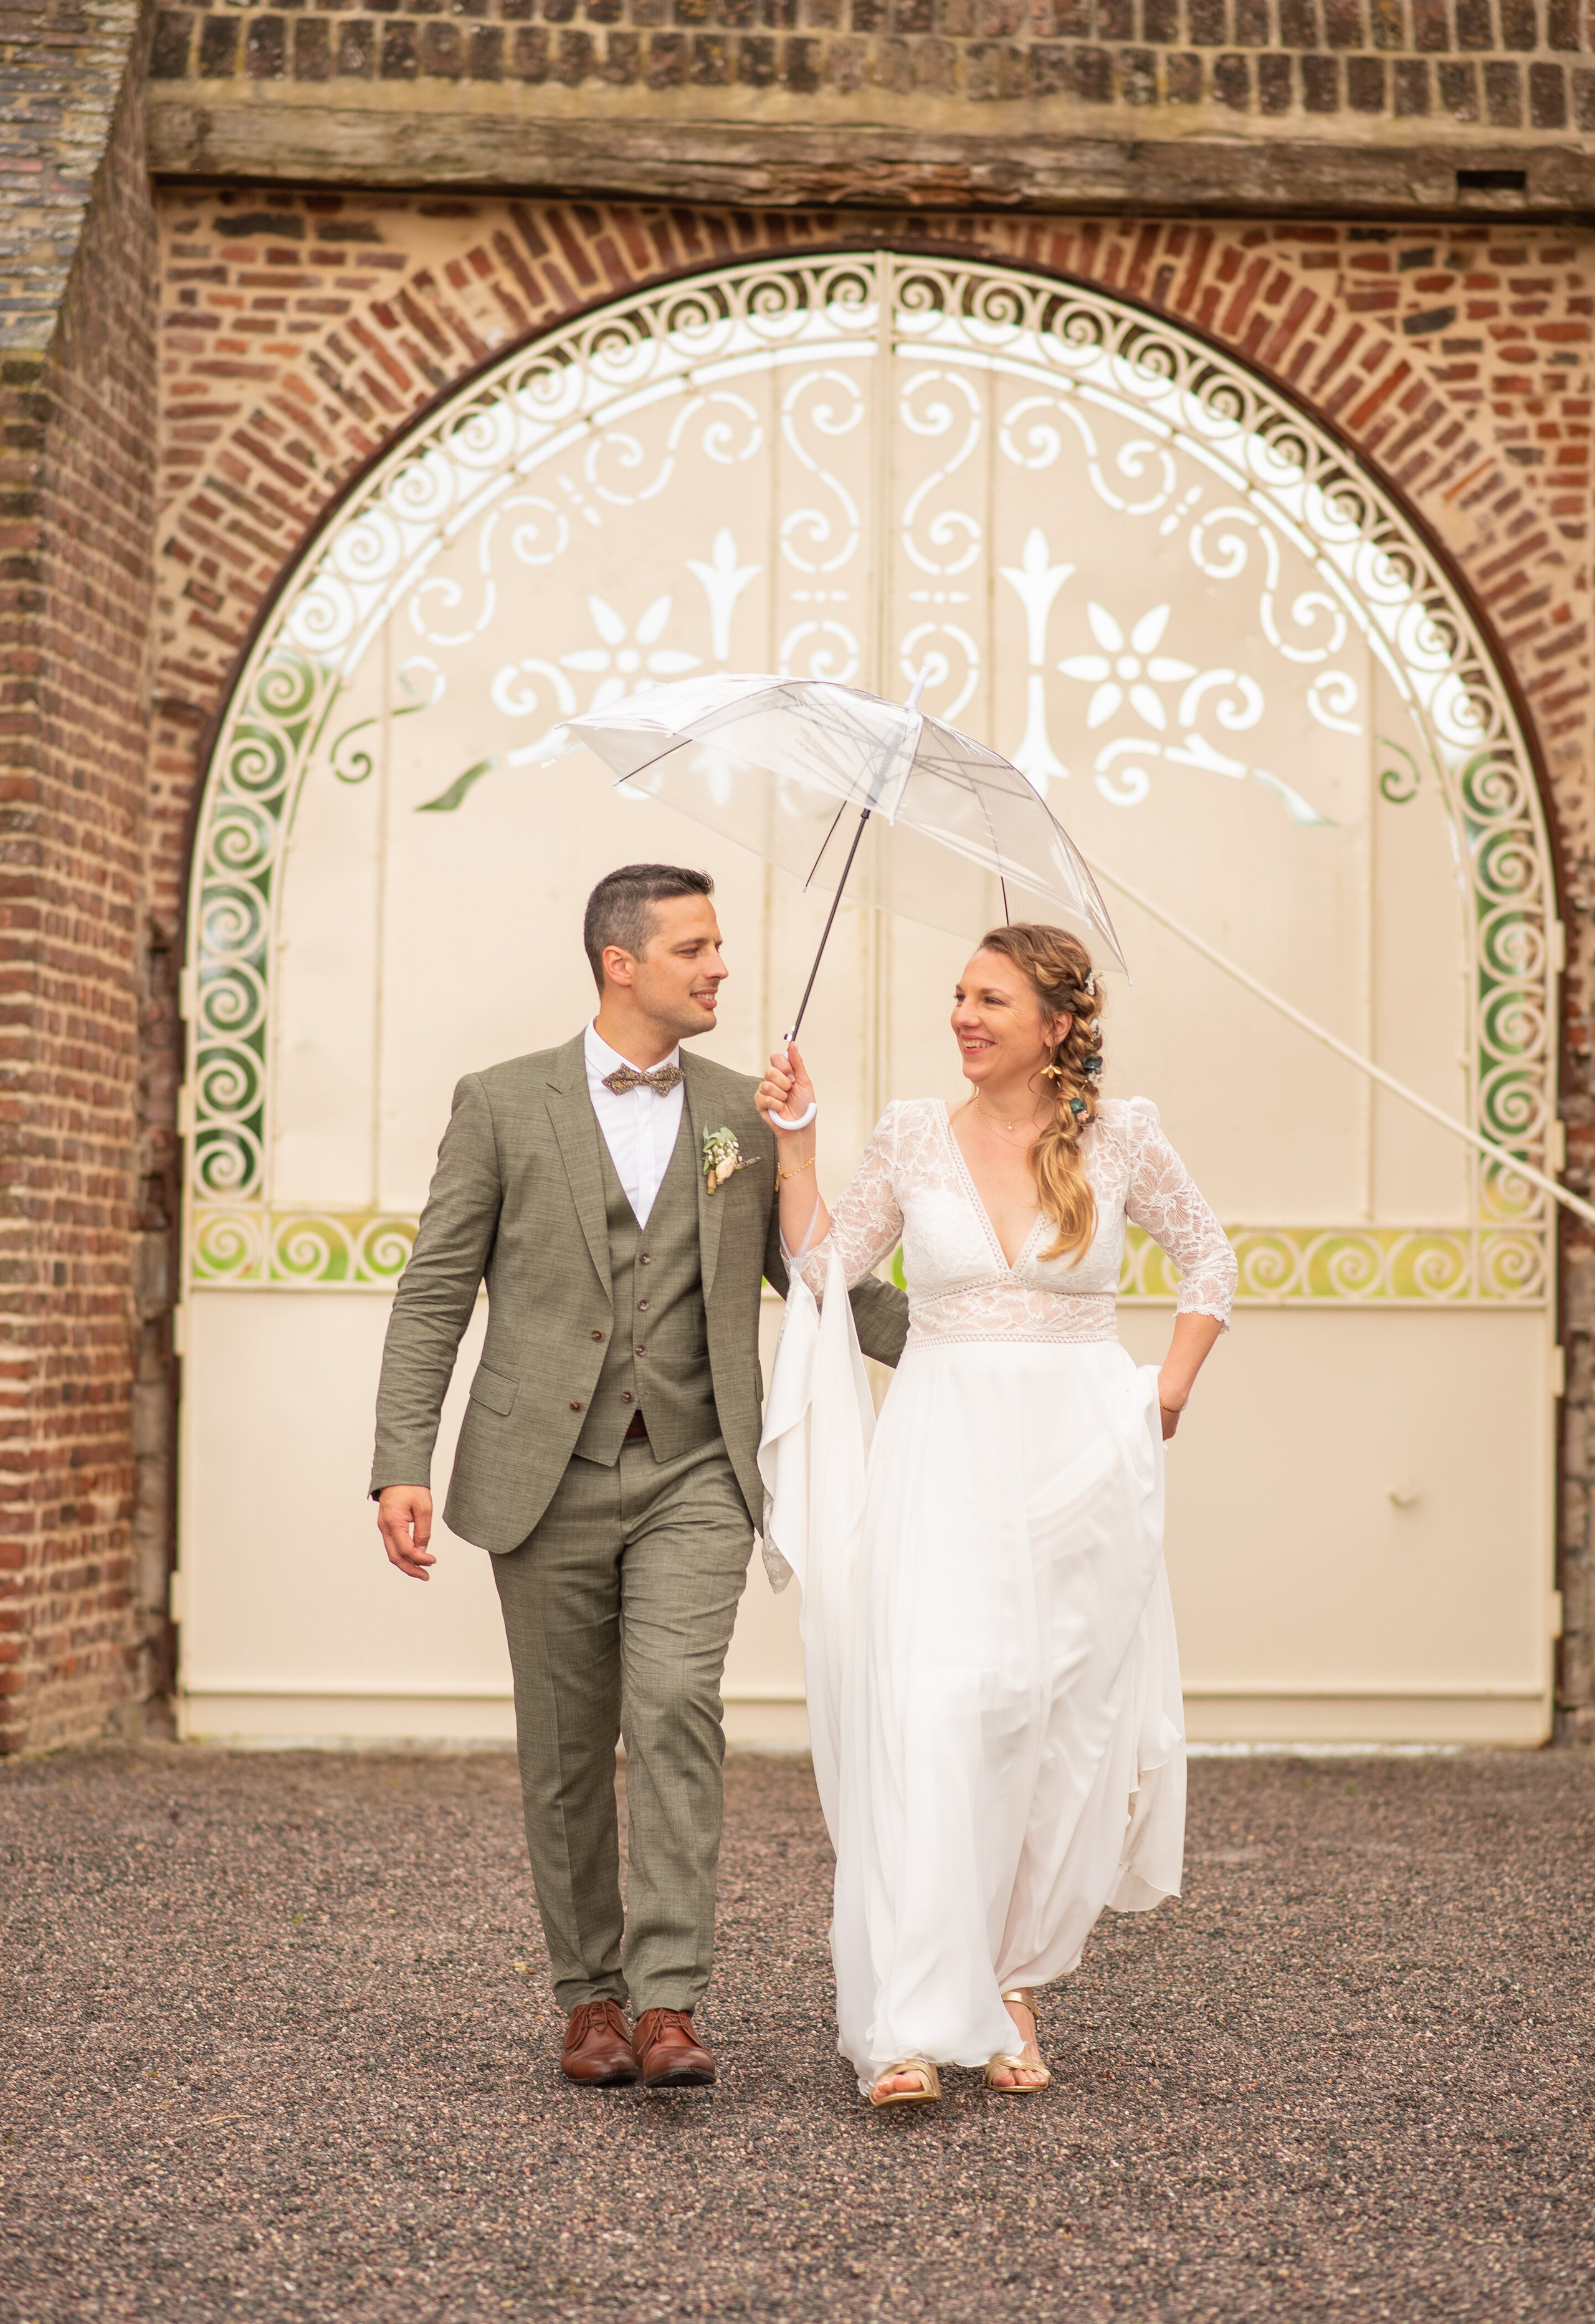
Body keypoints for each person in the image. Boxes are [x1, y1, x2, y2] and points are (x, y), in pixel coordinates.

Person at [369, 863, 908, 2092]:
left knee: (673, 1706)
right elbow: (434, 1290)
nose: (719, 966)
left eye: (717, 946)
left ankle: (669, 1999)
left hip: (695, 1465)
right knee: (565, 1743)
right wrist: (400, 1455)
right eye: (695, 948)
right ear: (621, 962)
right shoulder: (501, 1103)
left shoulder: (738, 1110)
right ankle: (588, 1998)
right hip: (537, 1468)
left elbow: (818, 1281)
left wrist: (973, 1341)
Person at [755, 921, 1236, 2107]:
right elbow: (821, 1267)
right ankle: (911, 2021)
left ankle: (1012, 1981)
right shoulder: (914, 1133)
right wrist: (796, 1144)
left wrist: (1165, 1389)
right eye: (960, 996)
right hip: (944, 1455)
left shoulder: (1124, 1136)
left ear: (1059, 1026)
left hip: (1082, 1462)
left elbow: (1208, 1259)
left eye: (993, 1001)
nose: (965, 1016)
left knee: (1054, 1723)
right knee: (938, 1707)